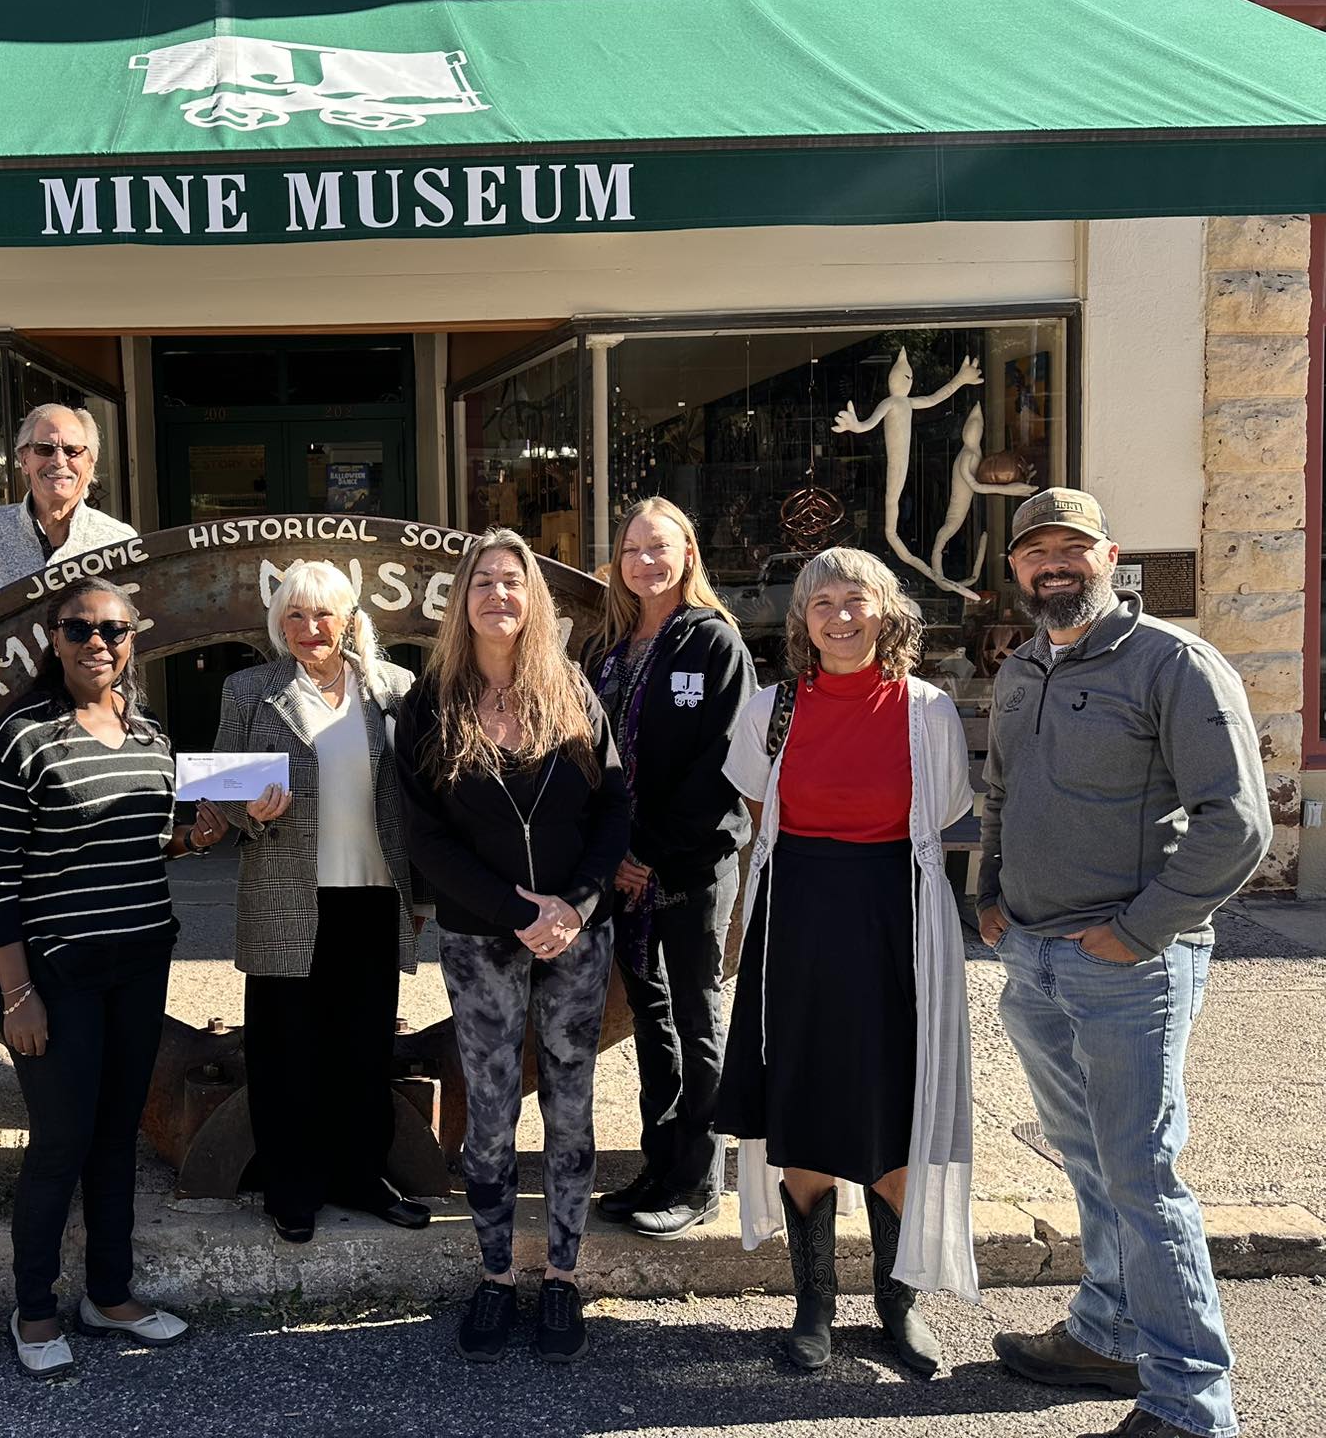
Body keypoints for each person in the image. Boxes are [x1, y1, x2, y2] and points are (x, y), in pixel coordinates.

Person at [979, 489, 1269, 1438]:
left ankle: (1192, 1405)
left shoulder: (1174, 665)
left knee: (1143, 1174)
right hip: (1035, 959)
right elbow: (1001, 791)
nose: (1052, 566)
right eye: (1035, 553)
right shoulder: (1024, 666)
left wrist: (1142, 931)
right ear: (1016, 569)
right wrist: (989, 893)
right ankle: (1108, 1335)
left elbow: (1238, 825)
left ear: (1110, 556)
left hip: (1129, 968)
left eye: (1071, 549)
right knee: (1090, 1162)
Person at [718, 546, 978, 1378]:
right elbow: (765, 816)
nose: (838, 615)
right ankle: (815, 1304)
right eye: (820, 601)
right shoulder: (771, 710)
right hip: (797, 916)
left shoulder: (929, 711)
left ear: (885, 608)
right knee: (806, 1107)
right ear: (802, 620)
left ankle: (898, 1305)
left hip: (893, 920)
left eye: (853, 598)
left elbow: (940, 818)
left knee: (893, 1112)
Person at [0, 577, 227, 1379]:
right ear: (54, 641)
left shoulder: (148, 733)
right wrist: (17, 993)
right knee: (60, 1143)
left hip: (141, 962)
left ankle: (109, 1294)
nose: (97, 643)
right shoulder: (21, 736)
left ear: (132, 639)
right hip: (58, 974)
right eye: (78, 629)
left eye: (113, 629)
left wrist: (190, 841)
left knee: (116, 1137)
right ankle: (34, 1307)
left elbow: (146, 846)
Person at [394, 529, 629, 1366]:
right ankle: (495, 1275)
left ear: (535, 601)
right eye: (484, 582)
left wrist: (578, 903)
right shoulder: (431, 703)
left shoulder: (571, 692)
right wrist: (509, 908)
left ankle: (562, 1274)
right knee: (490, 1113)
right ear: (462, 600)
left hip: (576, 935)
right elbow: (425, 838)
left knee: (571, 1109)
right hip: (480, 941)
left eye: (513, 582)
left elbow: (614, 810)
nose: (499, 595)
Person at [0, 402, 138, 1140]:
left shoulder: (119, 541)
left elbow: (139, 650)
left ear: (93, 463)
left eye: (74, 450)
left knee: (93, 903)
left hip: (86, 755)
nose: (60, 461)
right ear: (19, 458)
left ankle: (93, 1057)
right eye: (44, 448)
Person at [211, 561, 431, 1246]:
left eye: (323, 615)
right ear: (279, 625)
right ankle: (292, 1187)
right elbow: (220, 787)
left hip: (371, 894)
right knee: (285, 1051)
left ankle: (362, 1176)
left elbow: (417, 798)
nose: (310, 629)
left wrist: (421, 894)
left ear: (349, 618)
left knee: (363, 1048)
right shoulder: (250, 691)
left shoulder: (393, 689)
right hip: (286, 894)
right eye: (295, 617)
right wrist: (249, 809)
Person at [584, 498, 755, 1240]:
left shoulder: (716, 643)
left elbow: (720, 765)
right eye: (632, 550)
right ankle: (659, 1166)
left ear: (688, 552)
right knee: (652, 1020)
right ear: (617, 564)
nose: (646, 562)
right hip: (624, 868)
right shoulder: (608, 648)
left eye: (660, 547)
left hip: (688, 862)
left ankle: (697, 1181)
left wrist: (644, 852)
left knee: (697, 1016)